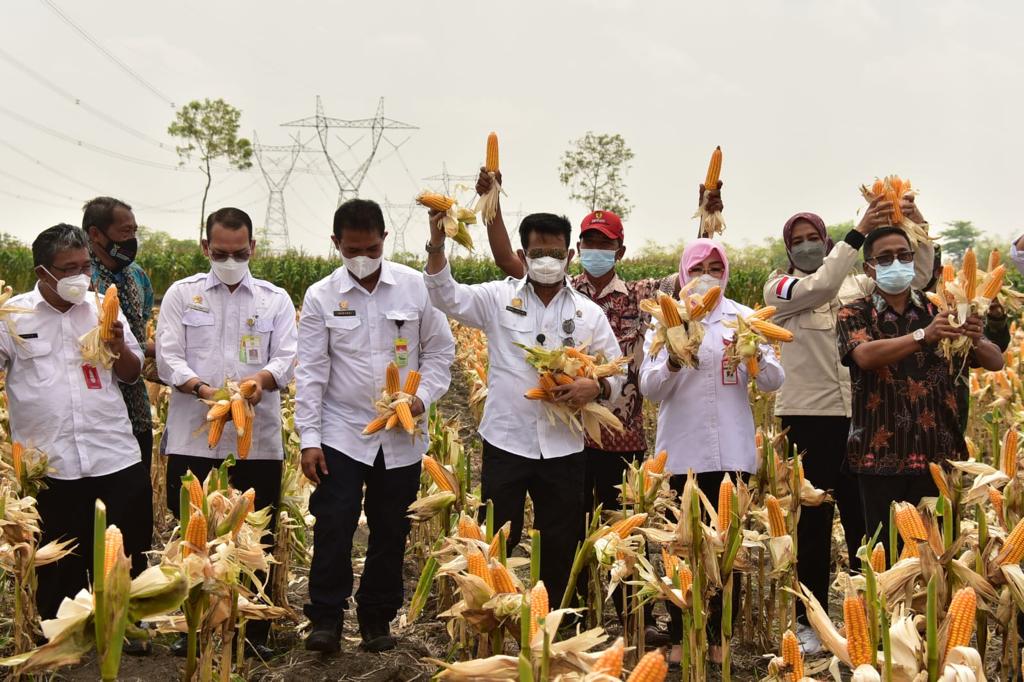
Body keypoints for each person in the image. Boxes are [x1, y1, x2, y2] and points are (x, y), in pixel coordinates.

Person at [424, 209, 624, 614]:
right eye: (538, 253)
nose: (547, 261)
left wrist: (596, 386)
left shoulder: (589, 313)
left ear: (570, 256)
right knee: (497, 539)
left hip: (565, 448)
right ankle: (491, 618)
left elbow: (616, 373)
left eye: (556, 254)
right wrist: (437, 242)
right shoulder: (497, 299)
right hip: (506, 442)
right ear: (523, 255)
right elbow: (444, 295)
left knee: (561, 542)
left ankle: (555, 621)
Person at [297, 199, 454, 654]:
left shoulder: (415, 287)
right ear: (336, 243)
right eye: (352, 250)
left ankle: (376, 617)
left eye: (371, 248)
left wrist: (420, 399)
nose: (362, 257)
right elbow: (311, 371)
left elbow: (440, 352)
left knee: (391, 525)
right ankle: (326, 617)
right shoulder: (321, 295)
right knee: (335, 520)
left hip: (402, 432)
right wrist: (309, 439)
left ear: (385, 239)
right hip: (342, 429)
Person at [156, 207, 297, 657]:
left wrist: (260, 382)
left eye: (239, 253)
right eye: (220, 253)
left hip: (255, 442)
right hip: (194, 438)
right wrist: (202, 390)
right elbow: (168, 358)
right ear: (206, 248)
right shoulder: (183, 295)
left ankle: (252, 633)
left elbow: (287, 357)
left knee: (254, 538)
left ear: (252, 247)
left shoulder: (274, 299)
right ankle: (192, 626)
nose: (230, 261)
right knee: (194, 535)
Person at [640, 238, 784, 665]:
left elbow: (773, 381)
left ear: (726, 272)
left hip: (733, 456)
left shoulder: (743, 318)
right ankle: (682, 636)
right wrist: (672, 358)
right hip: (680, 455)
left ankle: (719, 641)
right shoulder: (664, 320)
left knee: (727, 554)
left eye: (715, 268)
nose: (706, 276)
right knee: (681, 550)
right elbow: (650, 388)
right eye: (698, 267)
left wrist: (754, 352)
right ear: (684, 272)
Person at [0, 224, 149, 619]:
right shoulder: (12, 317)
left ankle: (123, 629)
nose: (81, 276)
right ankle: (60, 631)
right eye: (69, 269)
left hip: (112, 454)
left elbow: (132, 373)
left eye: (85, 266)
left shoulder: (102, 307)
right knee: (58, 567)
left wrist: (118, 346)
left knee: (120, 559)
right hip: (49, 464)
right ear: (42, 272)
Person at [837, 226, 1004, 561]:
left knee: (940, 560)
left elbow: (995, 361)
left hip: (939, 455)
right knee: (889, 560)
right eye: (885, 258)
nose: (896, 262)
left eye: (903, 255)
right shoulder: (854, 312)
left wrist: (975, 337)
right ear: (870, 267)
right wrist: (923, 336)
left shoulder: (939, 309)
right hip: (880, 458)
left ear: (913, 260)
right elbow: (864, 355)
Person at [82, 196, 155, 579]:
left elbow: (140, 335)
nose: (131, 239)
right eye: (124, 231)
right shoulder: (78, 281)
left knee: (135, 513)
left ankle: (132, 591)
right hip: (93, 417)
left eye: (133, 231)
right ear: (96, 234)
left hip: (136, 411)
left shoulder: (137, 276)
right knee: (96, 520)